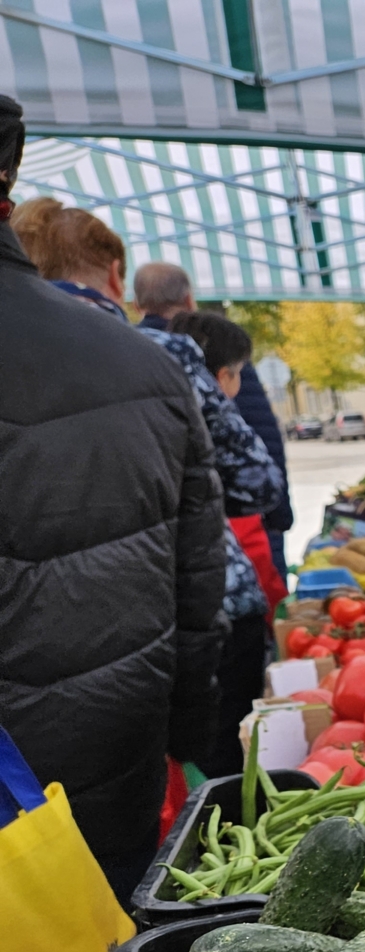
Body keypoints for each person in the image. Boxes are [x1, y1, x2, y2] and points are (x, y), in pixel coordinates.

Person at [0, 95, 228, 903]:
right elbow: (202, 584)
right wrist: (190, 736)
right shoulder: (144, 363)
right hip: (113, 767)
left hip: (30, 781)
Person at [168, 311, 289, 777]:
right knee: (231, 745)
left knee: (196, 747)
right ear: (222, 375)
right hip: (216, 600)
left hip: (149, 612)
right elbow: (261, 485)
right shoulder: (193, 393)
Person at [134, 262, 293, 575]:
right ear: (189, 299)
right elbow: (261, 439)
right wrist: (278, 514)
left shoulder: (126, 355)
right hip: (229, 527)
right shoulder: (222, 347)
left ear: (136, 304)